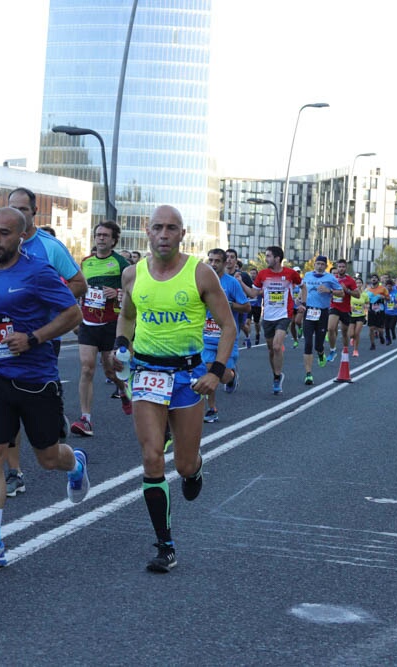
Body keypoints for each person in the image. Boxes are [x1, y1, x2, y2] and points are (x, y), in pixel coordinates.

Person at [0, 206, 88, 568]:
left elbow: (73, 314)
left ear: (21, 237)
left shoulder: (39, 272)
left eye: (4, 234)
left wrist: (34, 337)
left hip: (36, 379)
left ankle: (74, 463)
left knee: (48, 458)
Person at [115, 205, 235, 572]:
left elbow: (228, 326)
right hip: (147, 374)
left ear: (183, 234)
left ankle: (194, 468)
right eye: (157, 228)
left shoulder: (200, 274)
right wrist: (121, 345)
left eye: (171, 228)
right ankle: (165, 546)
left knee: (181, 464)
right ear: (146, 232)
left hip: (187, 377)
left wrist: (216, 371)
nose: (164, 234)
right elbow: (128, 314)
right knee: (152, 457)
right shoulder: (133, 274)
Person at [0, 187, 86, 497]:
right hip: (5, 341)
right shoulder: (1, 243)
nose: (18, 213)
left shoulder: (50, 247)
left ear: (34, 213)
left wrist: (51, 308)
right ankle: (14, 472)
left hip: (44, 338)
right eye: (12, 207)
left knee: (40, 418)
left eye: (23, 208)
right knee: (5, 407)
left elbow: (78, 282)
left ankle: (53, 414)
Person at [70, 221, 132, 437]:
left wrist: (118, 293)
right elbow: (79, 288)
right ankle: (85, 419)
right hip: (88, 322)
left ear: (114, 240)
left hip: (111, 323)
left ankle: (124, 390)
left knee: (110, 370)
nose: (101, 238)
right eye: (98, 234)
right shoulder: (86, 262)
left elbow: (131, 292)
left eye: (106, 235)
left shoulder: (121, 263)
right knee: (86, 368)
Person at [201, 248, 249, 423]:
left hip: (226, 339)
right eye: (210, 260)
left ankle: (233, 376)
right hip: (206, 338)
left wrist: (228, 305)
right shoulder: (201, 282)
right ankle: (212, 409)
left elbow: (246, 307)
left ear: (224, 263)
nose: (213, 264)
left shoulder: (231, 283)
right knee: (209, 371)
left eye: (217, 261)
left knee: (223, 376)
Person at [252, 246, 302, 394]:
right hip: (267, 316)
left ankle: (277, 377)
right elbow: (254, 291)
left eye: (268, 256)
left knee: (276, 346)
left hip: (284, 315)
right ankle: (276, 374)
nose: (266, 259)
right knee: (270, 350)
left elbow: (303, 287)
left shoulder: (290, 273)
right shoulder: (262, 274)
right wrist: (240, 284)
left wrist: (302, 303)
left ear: (277, 258)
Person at [299, 255, 343, 385]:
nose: (319, 266)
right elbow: (303, 289)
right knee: (307, 343)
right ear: (314, 264)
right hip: (309, 311)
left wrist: (329, 290)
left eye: (322, 264)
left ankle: (321, 352)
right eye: (317, 263)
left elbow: (341, 293)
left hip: (322, 312)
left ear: (325, 266)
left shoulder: (330, 278)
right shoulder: (307, 275)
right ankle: (308, 374)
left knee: (318, 343)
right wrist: (300, 300)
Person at [325, 259, 359, 362]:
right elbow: (327, 291)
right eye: (339, 267)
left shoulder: (350, 280)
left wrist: (347, 290)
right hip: (334, 306)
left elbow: (357, 295)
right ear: (337, 267)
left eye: (343, 267)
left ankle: (345, 350)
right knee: (330, 328)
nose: (341, 269)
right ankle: (332, 350)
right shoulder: (332, 279)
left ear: (346, 268)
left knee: (344, 333)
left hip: (345, 309)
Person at [365, 274, 389, 351]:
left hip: (380, 311)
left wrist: (384, 297)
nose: (374, 279)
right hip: (371, 311)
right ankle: (372, 344)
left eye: (375, 278)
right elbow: (364, 299)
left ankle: (381, 336)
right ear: (371, 280)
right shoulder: (367, 290)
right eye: (372, 278)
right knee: (371, 328)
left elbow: (388, 298)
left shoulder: (383, 289)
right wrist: (366, 305)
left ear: (378, 280)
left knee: (380, 329)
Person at [348, 277, 368, 356]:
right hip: (352, 314)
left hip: (361, 315)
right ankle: (352, 338)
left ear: (362, 284)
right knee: (351, 334)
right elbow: (347, 302)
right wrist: (350, 307)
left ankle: (355, 350)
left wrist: (365, 306)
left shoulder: (364, 294)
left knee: (357, 333)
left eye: (360, 283)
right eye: (357, 283)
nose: (358, 284)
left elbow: (367, 303)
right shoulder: (352, 293)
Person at [383, 277, 397, 345]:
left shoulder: (396, 292)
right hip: (386, 311)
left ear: (392, 286)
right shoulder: (384, 292)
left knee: (392, 326)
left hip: (394, 312)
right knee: (386, 326)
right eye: (387, 286)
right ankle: (388, 339)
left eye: (390, 286)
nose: (388, 288)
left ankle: (393, 333)